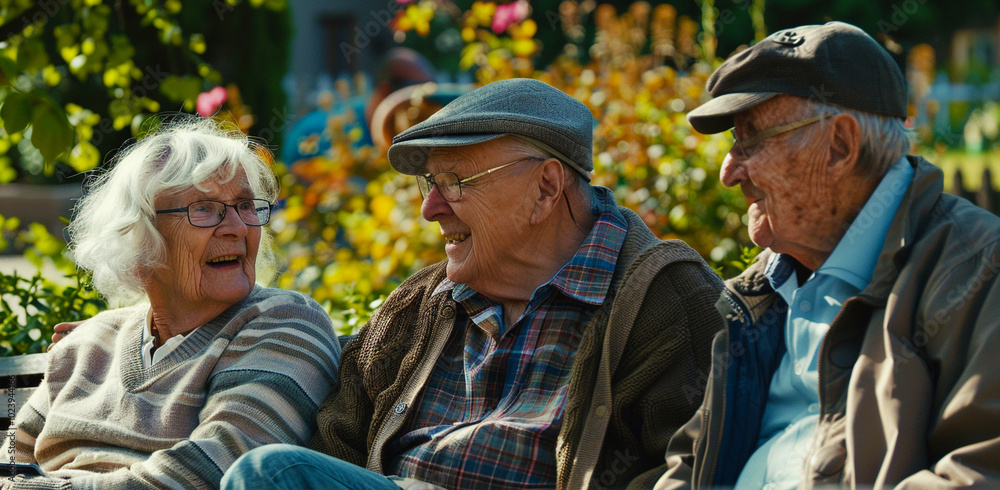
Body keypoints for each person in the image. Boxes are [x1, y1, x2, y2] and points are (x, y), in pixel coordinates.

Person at [222, 78, 725, 489]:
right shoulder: (421, 304)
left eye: (455, 182)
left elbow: (692, 471)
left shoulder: (665, 300)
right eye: (430, 183)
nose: (429, 209)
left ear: (546, 188)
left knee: (271, 475)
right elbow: (336, 447)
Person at [656, 22, 1000, 489]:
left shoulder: (978, 270)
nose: (729, 171)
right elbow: (691, 463)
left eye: (751, 139)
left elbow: (980, 471)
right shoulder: (762, 294)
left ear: (839, 146)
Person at [3, 116, 341, 489]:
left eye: (246, 205)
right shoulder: (89, 343)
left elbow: (213, 472)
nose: (237, 228)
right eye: (204, 208)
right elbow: (10, 465)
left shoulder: (287, 324)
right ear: (137, 234)